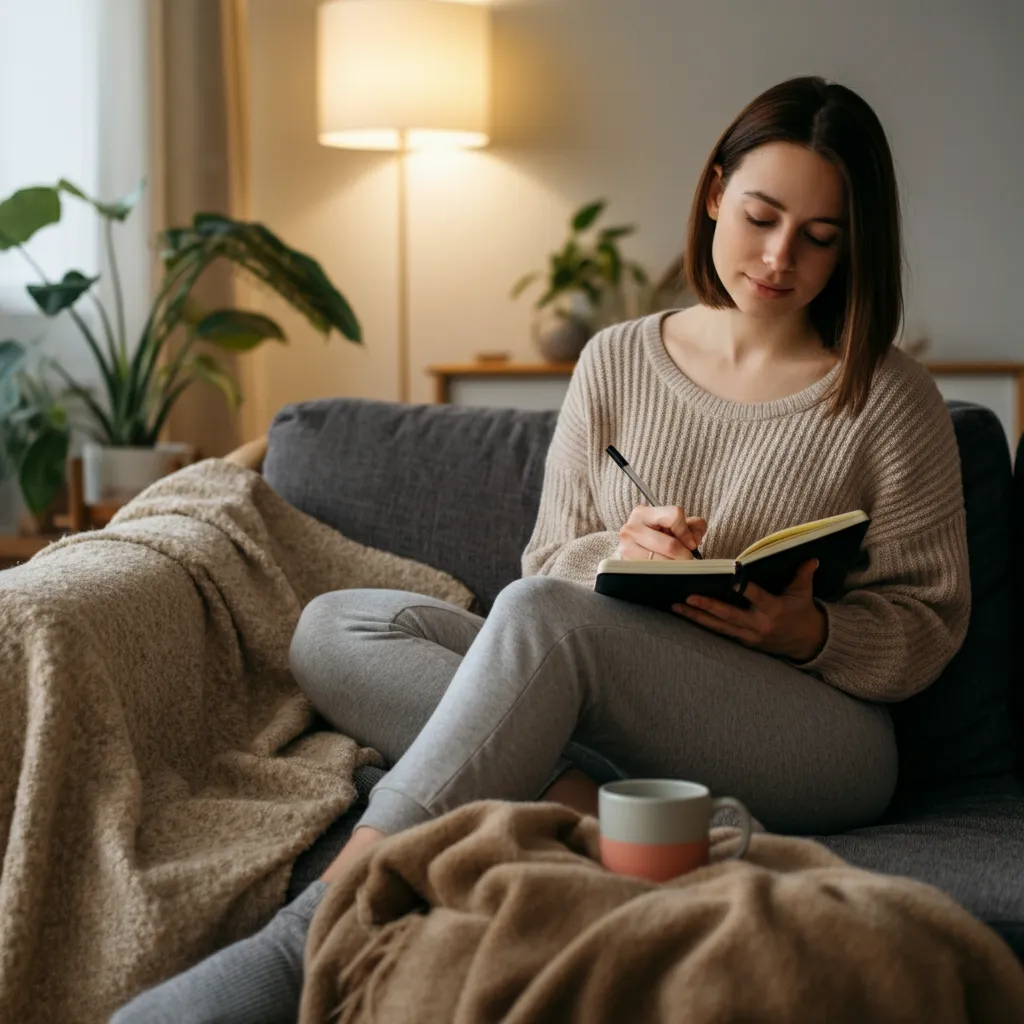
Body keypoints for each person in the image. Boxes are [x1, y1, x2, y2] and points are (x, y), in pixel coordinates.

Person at [112, 75, 970, 1023]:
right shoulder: (617, 358)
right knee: (334, 625)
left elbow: (928, 624)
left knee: (536, 624)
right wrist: (618, 551)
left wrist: (808, 631)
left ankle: (307, 935)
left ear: (855, 246)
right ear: (716, 191)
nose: (778, 258)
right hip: (618, 699)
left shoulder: (890, 400)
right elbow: (549, 559)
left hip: (817, 733)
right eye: (762, 216)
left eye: (820, 237)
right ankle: (599, 808)